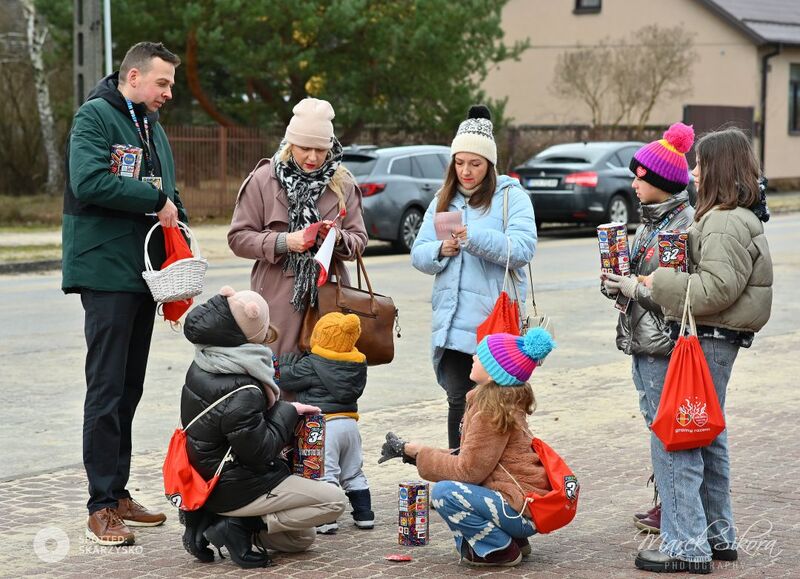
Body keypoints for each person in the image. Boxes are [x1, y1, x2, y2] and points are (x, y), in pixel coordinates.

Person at [629, 127, 772, 573]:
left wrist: (657, 283)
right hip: (717, 339)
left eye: (701, 164)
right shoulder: (732, 216)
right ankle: (717, 535)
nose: (694, 172)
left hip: (709, 339)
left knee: (679, 438)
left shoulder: (725, 221)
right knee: (707, 436)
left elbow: (715, 289)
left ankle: (685, 546)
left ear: (720, 169)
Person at [62, 41, 186, 545]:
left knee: (129, 389)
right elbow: (89, 181)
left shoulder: (149, 123)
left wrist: (175, 209)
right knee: (107, 387)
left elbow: (165, 188)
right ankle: (99, 507)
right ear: (133, 77)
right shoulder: (94, 117)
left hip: (141, 272)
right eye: (162, 83)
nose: (168, 93)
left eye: (171, 84)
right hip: (104, 269)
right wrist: (155, 198)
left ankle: (117, 494)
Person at [180, 286, 347, 569]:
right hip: (234, 483)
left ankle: (227, 521)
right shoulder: (245, 389)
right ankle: (237, 524)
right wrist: (288, 411)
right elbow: (259, 452)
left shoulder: (208, 359)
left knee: (300, 540)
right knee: (334, 502)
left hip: (212, 475)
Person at [410, 104, 537, 449]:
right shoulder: (443, 199)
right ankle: (459, 474)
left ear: (490, 165)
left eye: (475, 164)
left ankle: (499, 472)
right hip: (451, 322)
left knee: (496, 405)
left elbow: (523, 248)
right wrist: (440, 251)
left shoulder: (512, 198)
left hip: (494, 325)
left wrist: (473, 238)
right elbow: (418, 253)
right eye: (460, 162)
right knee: (458, 401)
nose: (466, 171)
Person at [379, 328, 556, 567]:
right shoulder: (500, 403)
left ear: (495, 373)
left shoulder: (490, 411)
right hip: (522, 505)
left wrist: (420, 454)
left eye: (481, 356)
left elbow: (469, 471)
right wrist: (413, 452)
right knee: (455, 487)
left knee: (445, 494)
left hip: (520, 508)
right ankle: (515, 539)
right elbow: (473, 457)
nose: (473, 357)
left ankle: (499, 549)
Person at [600, 123, 696, 535]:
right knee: (653, 422)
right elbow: (642, 279)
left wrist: (632, 288)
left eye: (640, 176)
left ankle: (673, 511)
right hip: (641, 339)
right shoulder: (652, 223)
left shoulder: (680, 226)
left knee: (665, 428)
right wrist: (616, 283)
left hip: (663, 343)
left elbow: (674, 294)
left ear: (660, 181)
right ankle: (666, 503)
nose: (634, 183)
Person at [227, 98, 368, 371]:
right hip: (278, 300)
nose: (313, 158)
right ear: (291, 144)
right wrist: (285, 241)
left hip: (330, 297)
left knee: (329, 377)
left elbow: (359, 240)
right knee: (280, 380)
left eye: (321, 149)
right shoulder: (263, 180)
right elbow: (238, 238)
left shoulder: (344, 183)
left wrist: (338, 239)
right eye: (305, 148)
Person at [279, 312, 373, 534]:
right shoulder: (358, 364)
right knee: (353, 471)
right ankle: (365, 515)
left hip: (324, 426)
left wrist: (284, 364)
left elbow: (287, 379)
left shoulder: (313, 363)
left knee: (324, 473)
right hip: (350, 424)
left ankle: (327, 519)